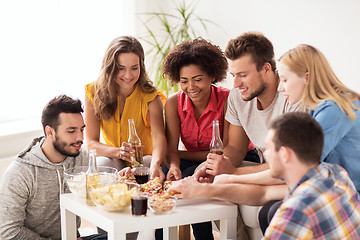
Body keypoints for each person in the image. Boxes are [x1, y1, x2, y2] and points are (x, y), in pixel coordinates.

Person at [168, 32, 299, 240]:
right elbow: (236, 148)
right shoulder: (238, 98)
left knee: (223, 181)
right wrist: (216, 167)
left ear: (266, 68)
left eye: (243, 75)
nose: (236, 84)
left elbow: (291, 165)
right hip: (269, 166)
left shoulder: (292, 98)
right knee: (210, 178)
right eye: (233, 75)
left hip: (287, 169)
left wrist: (232, 173)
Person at [161, 37, 257, 240]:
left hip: (237, 157)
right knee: (165, 173)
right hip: (202, 158)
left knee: (197, 177)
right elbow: (171, 149)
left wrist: (181, 155)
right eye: (184, 81)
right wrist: (174, 165)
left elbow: (224, 151)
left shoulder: (227, 99)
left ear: (212, 75)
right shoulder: (173, 103)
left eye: (198, 79)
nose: (191, 87)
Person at [0, 95, 105, 240]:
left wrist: (119, 181)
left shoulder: (82, 158)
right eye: (71, 131)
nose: (80, 138)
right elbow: (8, 231)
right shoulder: (21, 172)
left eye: (81, 130)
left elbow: (98, 195)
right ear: (50, 132)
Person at [262, 112, 360, 239]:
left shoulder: (296, 211)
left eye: (268, 148)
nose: (265, 154)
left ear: (284, 154)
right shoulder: (338, 174)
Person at [84, 36, 167, 180]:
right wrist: (119, 152)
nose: (128, 75)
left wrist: (156, 163)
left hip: (143, 161)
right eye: (121, 69)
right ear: (110, 67)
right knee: (101, 163)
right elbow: (91, 144)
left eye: (134, 68)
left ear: (141, 66)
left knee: (149, 163)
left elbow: (159, 138)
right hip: (113, 158)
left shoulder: (152, 97)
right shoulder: (93, 92)